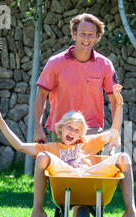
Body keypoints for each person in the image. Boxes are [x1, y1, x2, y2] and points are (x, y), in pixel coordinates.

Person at [0, 85, 136, 217]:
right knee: (41, 156)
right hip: (66, 181)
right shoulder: (54, 148)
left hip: (89, 180)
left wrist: (119, 104)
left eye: (77, 130)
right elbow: (20, 146)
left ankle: (130, 210)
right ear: (61, 128)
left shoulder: (87, 143)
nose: (72, 132)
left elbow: (114, 132)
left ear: (81, 134)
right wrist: (1, 123)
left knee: (124, 157)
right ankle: (37, 209)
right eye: (69, 127)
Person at [34, 13, 121, 149]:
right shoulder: (55, 63)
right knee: (61, 171)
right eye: (82, 34)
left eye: (91, 34)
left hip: (91, 132)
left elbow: (115, 100)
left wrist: (116, 133)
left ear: (97, 37)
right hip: (61, 130)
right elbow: (41, 95)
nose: (86, 38)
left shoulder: (105, 65)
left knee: (89, 171)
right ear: (74, 34)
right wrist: (38, 127)